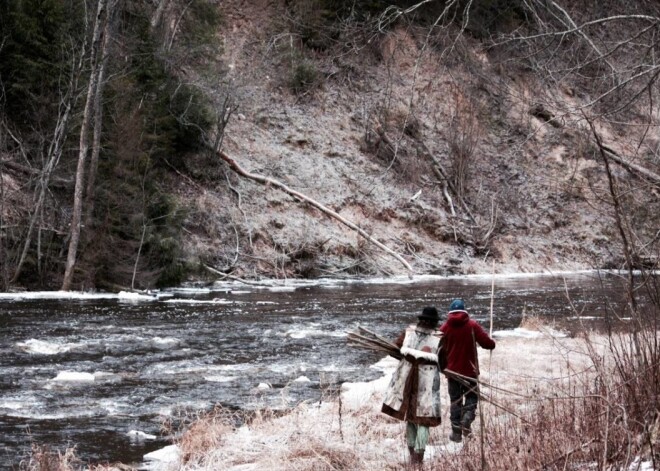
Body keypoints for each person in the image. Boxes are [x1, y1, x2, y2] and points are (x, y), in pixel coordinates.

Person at [382, 306, 443, 466]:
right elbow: (445, 362)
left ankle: (413, 458)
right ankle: (417, 459)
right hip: (426, 383)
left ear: (420, 320)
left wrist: (408, 357)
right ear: (434, 322)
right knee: (424, 419)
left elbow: (394, 351)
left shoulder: (408, 332)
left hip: (406, 379)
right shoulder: (440, 338)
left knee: (410, 417)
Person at [439, 298, 496, 443]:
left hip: (452, 373)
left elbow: (436, 348)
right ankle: (467, 419)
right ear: (465, 311)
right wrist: (492, 343)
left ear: (450, 312)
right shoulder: (472, 325)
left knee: (455, 401)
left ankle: (457, 433)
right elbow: (487, 343)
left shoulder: (444, 328)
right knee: (471, 398)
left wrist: (442, 367)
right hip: (470, 371)